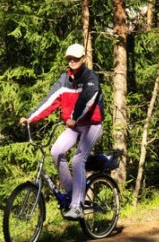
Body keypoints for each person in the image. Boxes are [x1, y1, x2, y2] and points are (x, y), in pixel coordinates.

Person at [20, 43, 104, 219]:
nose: (72, 61)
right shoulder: (64, 79)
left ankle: (77, 206)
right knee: (56, 151)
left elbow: (88, 100)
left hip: (91, 125)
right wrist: (30, 117)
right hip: (75, 126)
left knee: (78, 159)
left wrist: (74, 117)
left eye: (76, 58)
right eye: (69, 59)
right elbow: (49, 101)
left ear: (84, 58)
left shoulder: (90, 77)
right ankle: (73, 193)